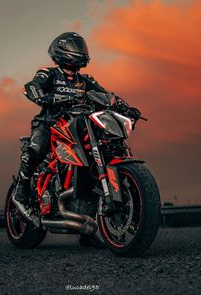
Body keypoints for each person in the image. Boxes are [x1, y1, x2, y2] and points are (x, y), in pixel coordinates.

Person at [12, 32, 140, 248]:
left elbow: (106, 95)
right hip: (51, 124)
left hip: (81, 126)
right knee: (35, 149)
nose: (80, 51)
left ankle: (90, 226)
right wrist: (42, 96)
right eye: (75, 47)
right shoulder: (49, 74)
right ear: (61, 51)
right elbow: (31, 86)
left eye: (81, 47)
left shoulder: (86, 80)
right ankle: (22, 191)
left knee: (103, 152)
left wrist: (123, 105)